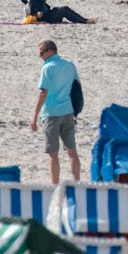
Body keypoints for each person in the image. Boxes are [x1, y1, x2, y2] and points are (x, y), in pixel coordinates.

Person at [31, 38, 81, 183]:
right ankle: (77, 182)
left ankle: (55, 185)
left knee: (53, 154)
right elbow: (76, 87)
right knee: (72, 151)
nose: (40, 56)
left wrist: (34, 117)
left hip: (51, 113)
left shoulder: (48, 68)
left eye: (41, 52)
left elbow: (43, 92)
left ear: (50, 51)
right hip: (67, 111)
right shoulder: (69, 65)